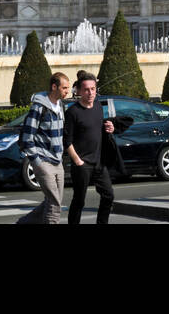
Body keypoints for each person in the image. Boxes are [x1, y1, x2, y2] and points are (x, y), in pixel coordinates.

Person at [16, 71, 70, 225]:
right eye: (64, 88)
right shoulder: (39, 107)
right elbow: (27, 138)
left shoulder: (61, 105)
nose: (68, 91)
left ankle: (24, 223)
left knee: (54, 201)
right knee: (54, 205)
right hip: (43, 162)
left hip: (57, 161)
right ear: (54, 86)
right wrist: (36, 161)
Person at [64, 71, 115, 225]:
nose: (90, 92)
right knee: (79, 200)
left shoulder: (98, 106)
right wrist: (77, 161)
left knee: (109, 195)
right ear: (79, 91)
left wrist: (110, 127)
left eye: (93, 89)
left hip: (99, 162)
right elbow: (66, 140)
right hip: (82, 164)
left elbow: (98, 129)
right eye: (86, 89)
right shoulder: (73, 112)